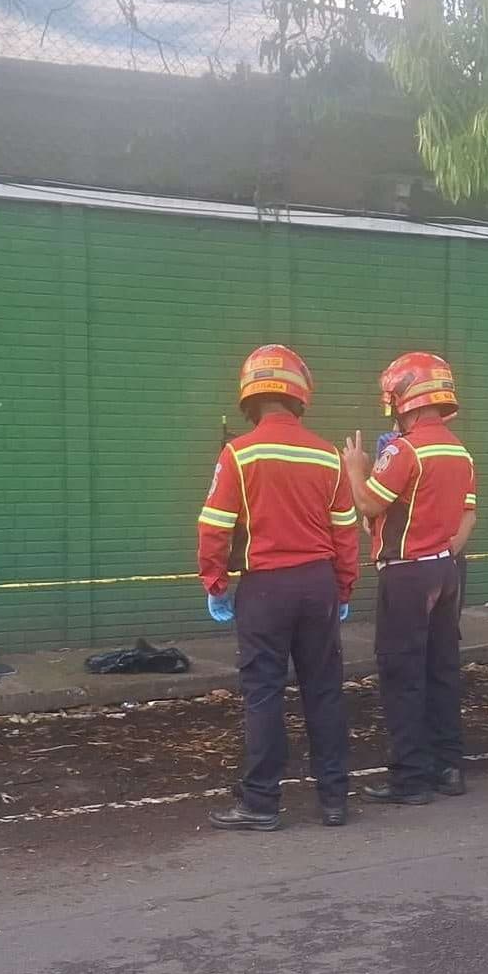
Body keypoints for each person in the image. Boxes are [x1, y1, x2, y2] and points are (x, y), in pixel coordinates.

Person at [198, 345, 360, 831]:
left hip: (265, 588)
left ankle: (262, 802)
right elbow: (345, 531)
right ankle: (335, 800)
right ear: (299, 396)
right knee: (325, 691)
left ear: (250, 398)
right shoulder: (329, 455)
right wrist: (344, 589)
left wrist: (216, 583)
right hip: (317, 585)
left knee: (264, 693)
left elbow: (214, 526)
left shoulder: (239, 454)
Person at [343, 352, 477, 805]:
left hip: (406, 576)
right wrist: (439, 550)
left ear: (404, 399)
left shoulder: (404, 450)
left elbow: (367, 504)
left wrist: (356, 466)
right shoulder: (460, 451)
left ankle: (409, 779)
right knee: (441, 669)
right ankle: (448, 767)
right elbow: (467, 517)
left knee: (403, 674)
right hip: (445, 569)